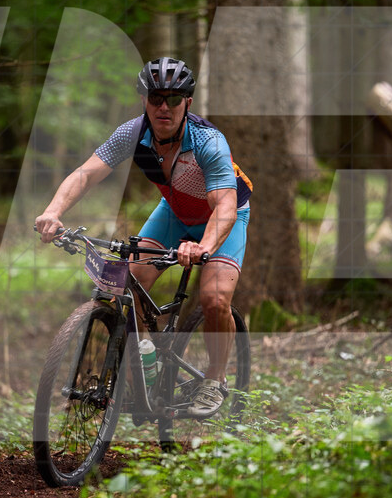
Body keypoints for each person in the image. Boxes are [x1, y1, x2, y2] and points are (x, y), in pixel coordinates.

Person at [35, 57, 252, 418]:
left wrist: (204, 247)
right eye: (155, 98)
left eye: (173, 98)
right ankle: (147, 361)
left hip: (222, 218)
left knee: (215, 298)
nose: (163, 106)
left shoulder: (208, 142)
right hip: (174, 213)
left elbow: (225, 206)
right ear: (144, 100)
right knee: (125, 285)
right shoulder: (132, 134)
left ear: (188, 103)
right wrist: (53, 211)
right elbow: (86, 174)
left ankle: (214, 379)